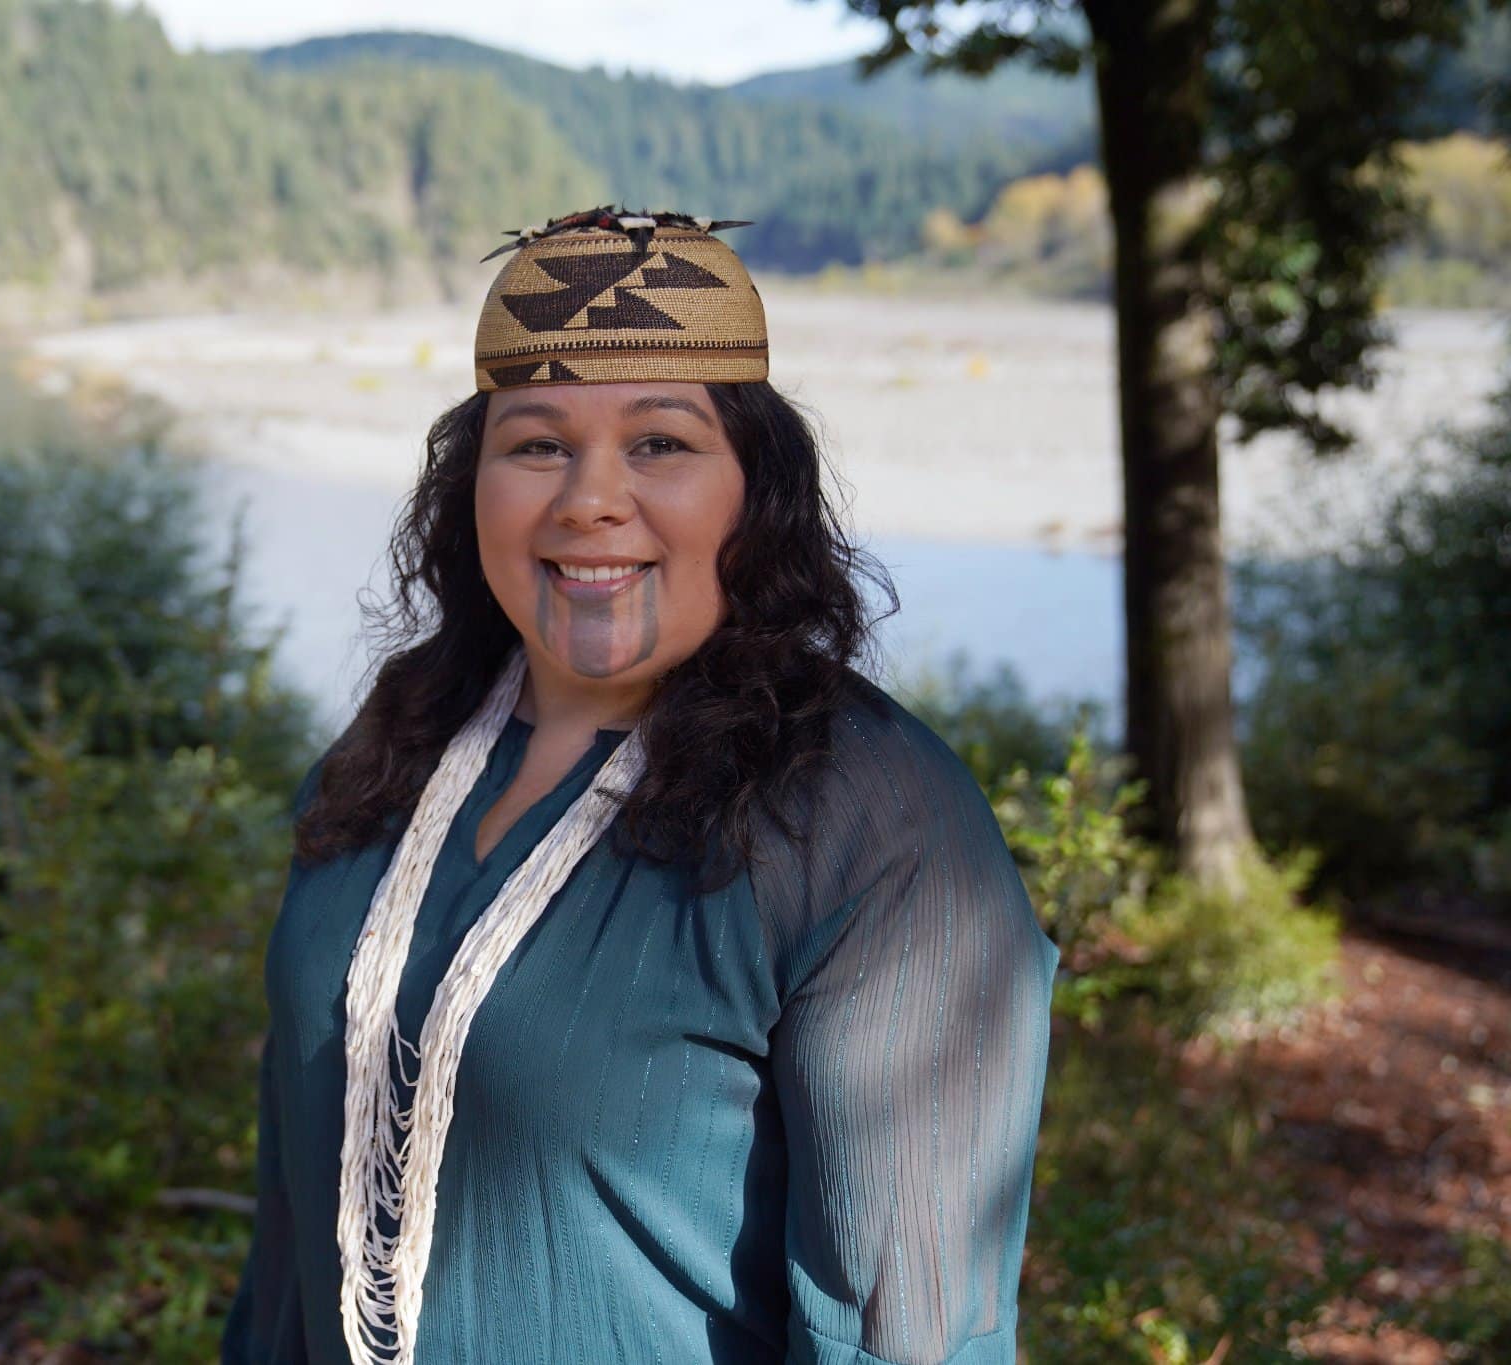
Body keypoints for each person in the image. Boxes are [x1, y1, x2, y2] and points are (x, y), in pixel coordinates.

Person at [222, 207, 1061, 1365]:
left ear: (754, 488)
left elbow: (906, 1333)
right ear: (474, 485)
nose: (588, 500)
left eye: (658, 443)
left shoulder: (868, 817)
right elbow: (284, 1240)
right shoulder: (391, 753)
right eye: (536, 444)